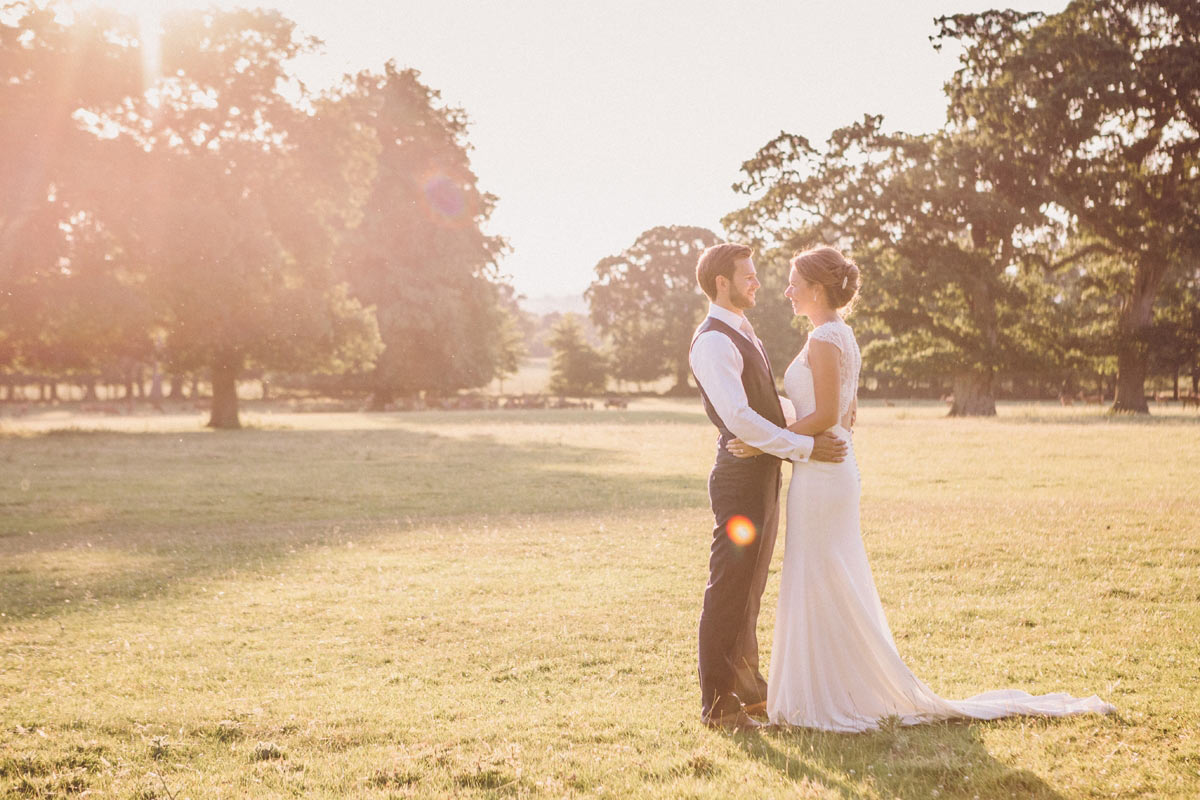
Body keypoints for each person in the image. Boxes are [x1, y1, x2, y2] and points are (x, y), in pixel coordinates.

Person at [727, 245, 1116, 731]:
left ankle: (828, 697)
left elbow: (829, 415)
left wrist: (770, 444)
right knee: (824, 577)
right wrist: (787, 423)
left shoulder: (826, 338)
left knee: (823, 576)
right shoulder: (838, 335)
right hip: (826, 471)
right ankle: (824, 689)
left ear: (817, 288)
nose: (787, 291)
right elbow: (843, 413)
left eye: (794, 283)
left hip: (824, 476)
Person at [688, 243, 848, 731]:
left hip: (761, 473)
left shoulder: (740, 329)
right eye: (749, 276)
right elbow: (738, 417)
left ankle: (749, 692)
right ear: (722, 282)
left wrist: (798, 417)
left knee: (751, 585)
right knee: (730, 587)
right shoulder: (713, 340)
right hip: (739, 476)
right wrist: (803, 446)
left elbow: (759, 399)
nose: (758, 283)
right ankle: (718, 705)